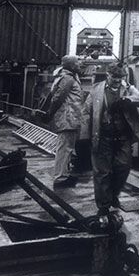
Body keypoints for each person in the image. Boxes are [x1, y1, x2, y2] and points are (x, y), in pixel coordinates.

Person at [80, 62, 139, 224]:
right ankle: (103, 207)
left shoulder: (127, 88)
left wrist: (127, 99)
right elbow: (86, 113)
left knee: (122, 168)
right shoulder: (96, 90)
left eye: (121, 78)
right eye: (115, 77)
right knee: (102, 173)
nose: (118, 81)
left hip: (123, 138)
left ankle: (113, 195)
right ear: (108, 76)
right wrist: (83, 138)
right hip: (103, 137)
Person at [49, 55, 83, 188]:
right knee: (64, 148)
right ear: (71, 65)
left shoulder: (67, 76)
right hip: (67, 117)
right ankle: (60, 178)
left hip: (70, 117)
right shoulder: (67, 79)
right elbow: (58, 97)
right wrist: (50, 113)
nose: (79, 65)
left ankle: (64, 174)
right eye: (77, 63)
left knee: (67, 148)